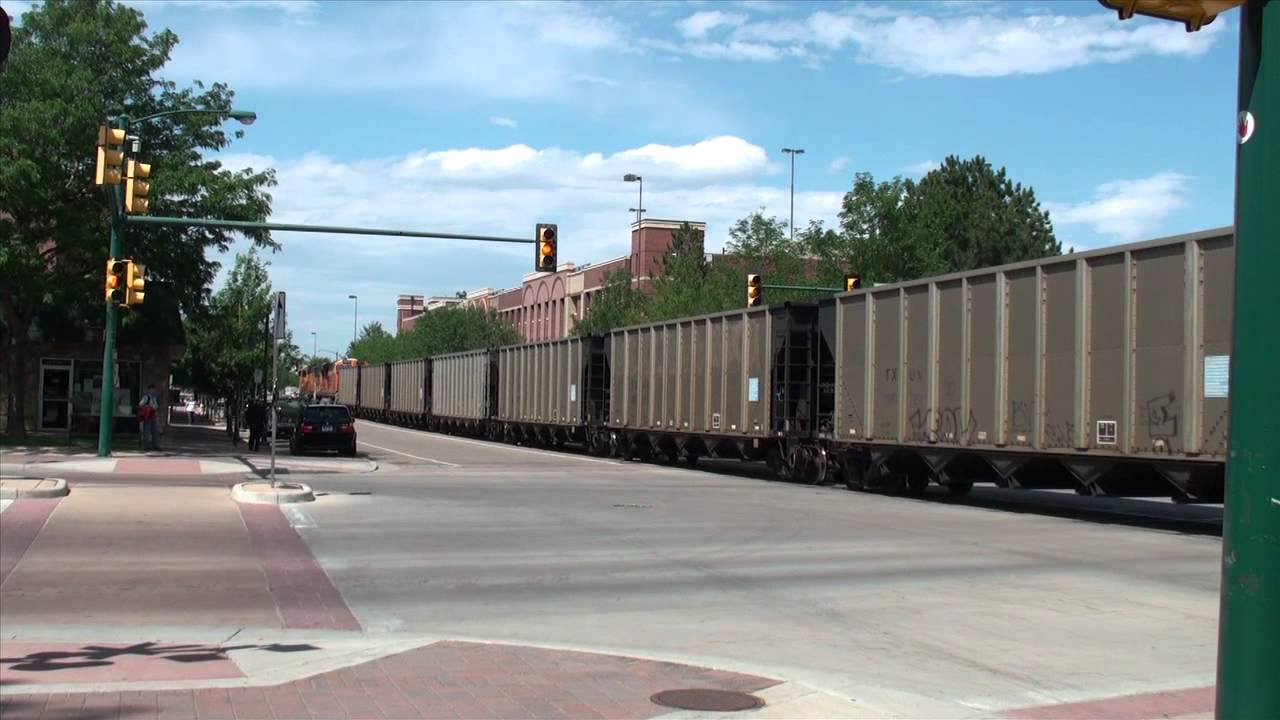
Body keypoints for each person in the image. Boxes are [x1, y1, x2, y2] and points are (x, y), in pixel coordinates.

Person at [138, 384, 161, 451]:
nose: (153, 391)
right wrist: (148, 407)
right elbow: (141, 404)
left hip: (154, 415)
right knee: (147, 432)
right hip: (147, 416)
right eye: (152, 389)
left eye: (154, 389)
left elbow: (156, 406)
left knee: (155, 431)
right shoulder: (146, 397)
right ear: (149, 390)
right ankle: (146, 446)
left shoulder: (155, 397)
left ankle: (155, 446)